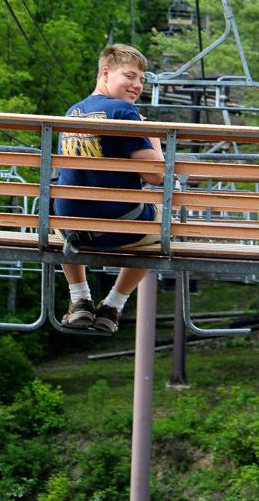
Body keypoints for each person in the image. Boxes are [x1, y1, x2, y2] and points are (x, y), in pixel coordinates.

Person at [54, 44, 164, 333]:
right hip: (118, 228)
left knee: (57, 216)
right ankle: (113, 306)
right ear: (106, 73)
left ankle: (80, 300)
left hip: (72, 231)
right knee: (166, 226)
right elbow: (156, 176)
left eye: (141, 79)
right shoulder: (122, 110)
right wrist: (150, 133)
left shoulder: (71, 113)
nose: (137, 85)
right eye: (130, 76)